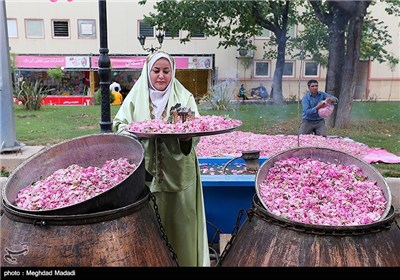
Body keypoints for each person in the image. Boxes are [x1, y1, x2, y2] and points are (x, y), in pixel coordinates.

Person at [113, 51, 210, 267]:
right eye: (156, 71)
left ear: (173, 72)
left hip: (179, 177)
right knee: (149, 231)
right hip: (146, 175)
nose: (161, 76)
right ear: (148, 72)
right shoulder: (135, 97)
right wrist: (133, 133)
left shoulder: (184, 97)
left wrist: (186, 136)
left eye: (166, 71)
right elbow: (120, 125)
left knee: (181, 229)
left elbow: (195, 129)